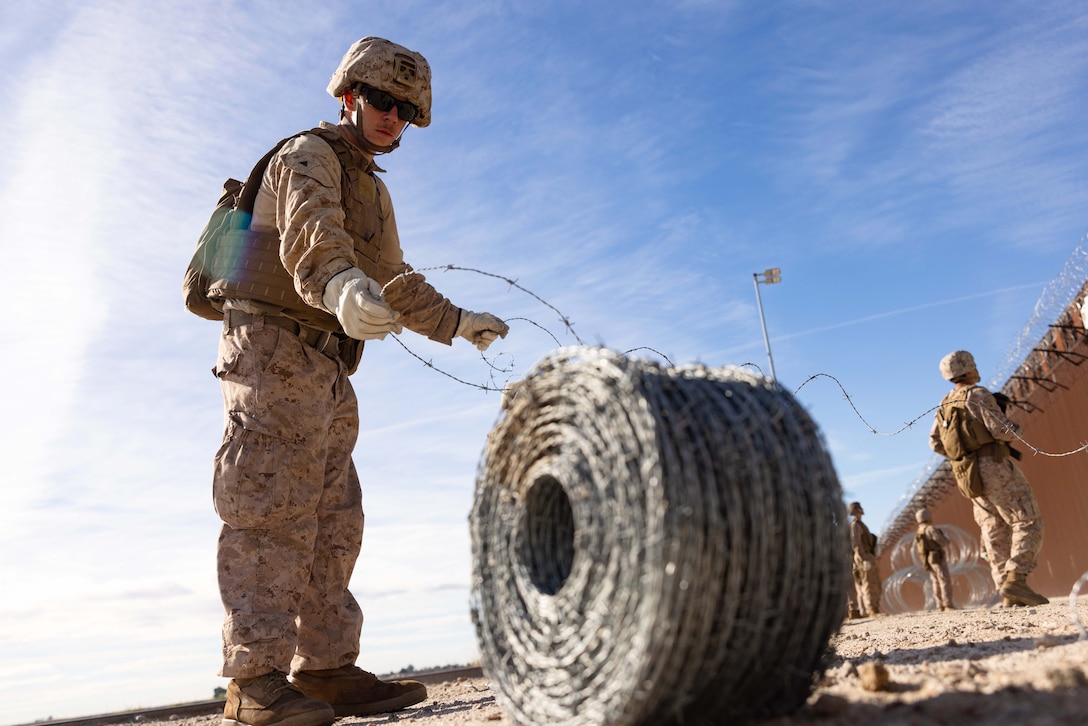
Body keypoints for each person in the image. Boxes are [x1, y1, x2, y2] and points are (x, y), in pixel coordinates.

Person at [207, 37, 510, 726]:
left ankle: (328, 667)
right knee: (269, 507)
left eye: (406, 110)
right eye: (381, 100)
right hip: (272, 348)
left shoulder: (372, 186)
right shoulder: (306, 154)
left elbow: (396, 281)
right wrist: (341, 285)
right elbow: (311, 236)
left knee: (335, 518)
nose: (392, 117)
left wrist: (459, 322)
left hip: (327, 363)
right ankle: (253, 683)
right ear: (350, 97)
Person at [928, 350, 1047, 608]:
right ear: (969, 368)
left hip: (967, 474)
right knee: (1027, 519)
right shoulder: (978, 394)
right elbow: (1000, 430)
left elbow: (935, 443)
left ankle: (1006, 589)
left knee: (993, 529)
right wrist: (1017, 428)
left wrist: (964, 452)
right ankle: (1017, 578)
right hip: (993, 465)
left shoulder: (945, 404)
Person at [914, 508, 955, 611]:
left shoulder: (919, 531)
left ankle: (939, 605)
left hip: (928, 559)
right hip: (937, 557)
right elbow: (942, 542)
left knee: (935, 582)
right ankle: (948, 604)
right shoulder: (930, 529)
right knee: (944, 579)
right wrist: (947, 540)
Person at [848, 501, 882, 617]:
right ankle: (872, 609)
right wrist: (862, 559)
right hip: (864, 556)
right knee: (868, 583)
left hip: (867, 555)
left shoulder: (860, 524)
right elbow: (856, 544)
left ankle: (870, 609)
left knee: (871, 582)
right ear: (857, 510)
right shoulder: (855, 525)